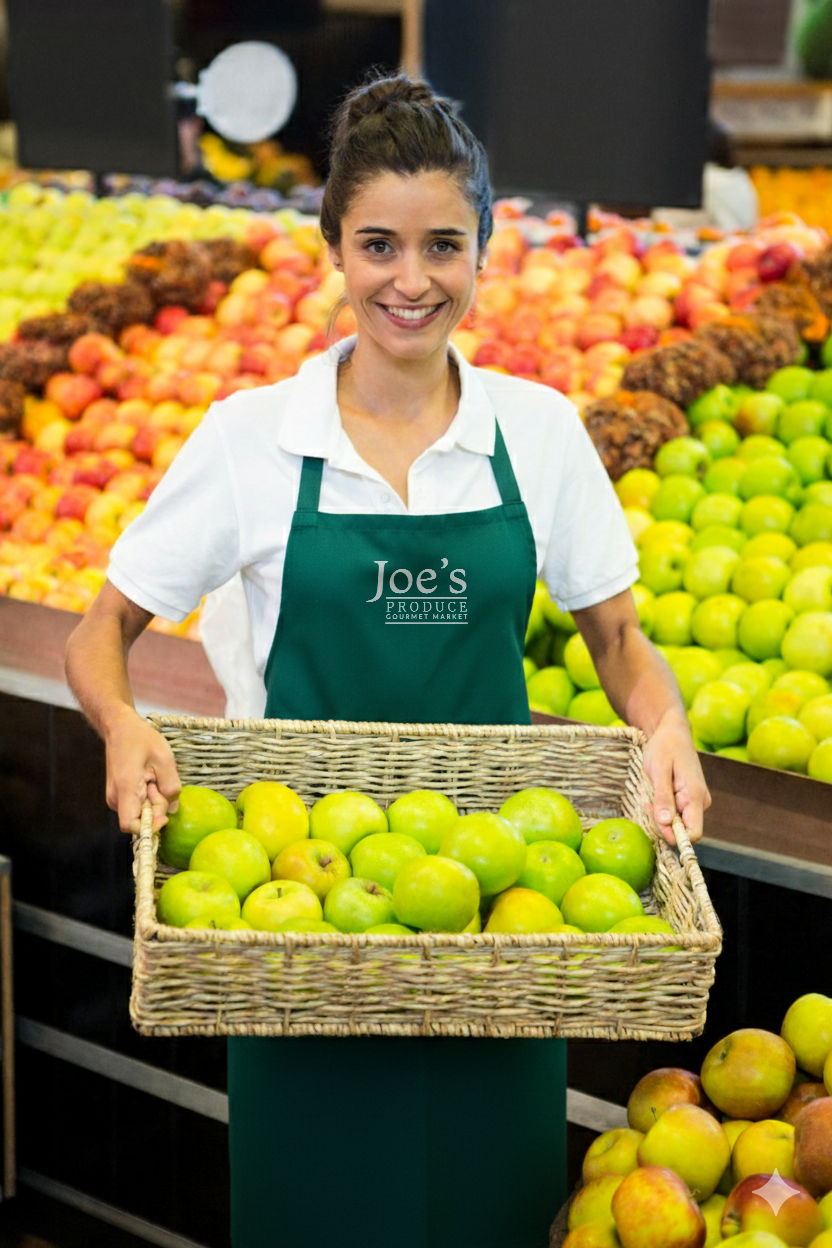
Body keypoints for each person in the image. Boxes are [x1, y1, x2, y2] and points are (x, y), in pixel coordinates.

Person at [66, 72, 709, 1248]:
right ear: (332, 248)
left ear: (483, 249)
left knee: (488, 1210)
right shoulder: (251, 440)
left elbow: (616, 640)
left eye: (441, 246)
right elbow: (99, 632)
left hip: (498, 916)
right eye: (377, 245)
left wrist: (663, 730)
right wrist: (123, 726)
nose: (409, 281)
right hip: (291, 907)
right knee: (315, 1208)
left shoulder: (538, 433)